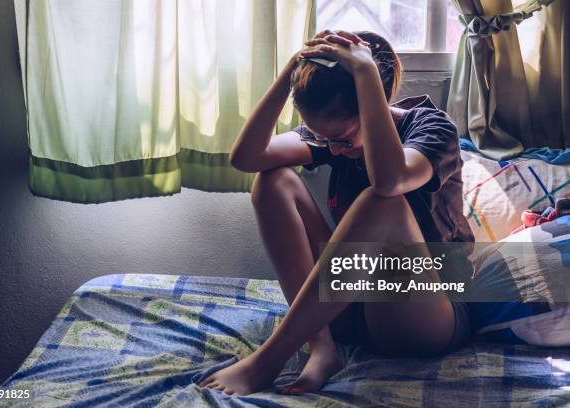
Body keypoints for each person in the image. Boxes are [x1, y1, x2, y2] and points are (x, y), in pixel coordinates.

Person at [198, 29, 474, 396]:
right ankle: (322, 347)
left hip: (424, 313)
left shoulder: (432, 129)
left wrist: (365, 74)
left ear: (373, 103)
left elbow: (390, 181)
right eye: (323, 139)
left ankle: (270, 359)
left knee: (383, 202)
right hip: (350, 307)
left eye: (342, 139)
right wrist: (291, 71)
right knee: (273, 182)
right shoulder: (334, 137)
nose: (334, 149)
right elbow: (247, 157)